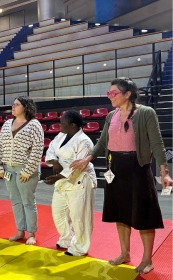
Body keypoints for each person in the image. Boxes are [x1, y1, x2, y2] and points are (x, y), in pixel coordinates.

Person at [70, 78, 173, 274]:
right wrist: (87, 159)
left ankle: (147, 259)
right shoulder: (111, 116)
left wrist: (164, 172)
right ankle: (125, 253)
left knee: (143, 215)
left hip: (138, 167)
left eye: (114, 93)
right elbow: (101, 143)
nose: (110, 96)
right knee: (120, 213)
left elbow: (157, 144)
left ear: (127, 94)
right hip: (115, 167)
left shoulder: (145, 113)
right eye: (109, 93)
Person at [44, 110, 97, 256]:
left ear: (73, 125)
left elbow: (79, 166)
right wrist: (54, 161)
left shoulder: (84, 142)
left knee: (79, 216)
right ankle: (66, 239)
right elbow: (51, 149)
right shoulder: (61, 135)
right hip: (62, 180)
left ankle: (80, 247)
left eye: (62, 123)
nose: (59, 125)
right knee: (58, 212)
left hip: (80, 180)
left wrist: (57, 177)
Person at [0, 96, 44, 245]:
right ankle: (19, 230)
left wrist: (27, 171)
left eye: (17, 104)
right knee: (16, 202)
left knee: (28, 202)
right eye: (13, 104)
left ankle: (31, 233)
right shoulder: (6, 124)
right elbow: (0, 147)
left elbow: (37, 150)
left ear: (26, 107)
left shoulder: (34, 125)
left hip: (25, 170)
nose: (13, 106)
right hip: (9, 169)